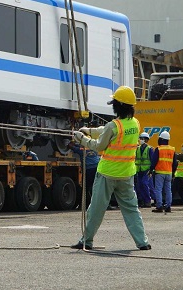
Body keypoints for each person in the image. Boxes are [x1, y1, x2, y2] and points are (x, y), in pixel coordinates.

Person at [70, 86, 150, 251]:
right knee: (132, 210)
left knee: (96, 210)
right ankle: (142, 242)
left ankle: (87, 241)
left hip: (107, 173)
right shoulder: (135, 124)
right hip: (127, 175)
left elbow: (99, 146)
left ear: (118, 105)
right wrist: (90, 131)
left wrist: (82, 139)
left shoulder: (113, 126)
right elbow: (108, 130)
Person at [68, 140, 99, 204]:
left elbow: (71, 147)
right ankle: (99, 203)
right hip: (97, 168)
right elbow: (80, 146)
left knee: (85, 188)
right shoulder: (94, 148)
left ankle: (86, 203)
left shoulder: (82, 150)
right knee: (95, 187)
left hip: (88, 170)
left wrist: (69, 143)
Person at [151, 131, 175, 213]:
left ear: (161, 139)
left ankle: (159, 206)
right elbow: (175, 162)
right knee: (168, 190)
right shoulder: (172, 149)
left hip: (160, 172)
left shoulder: (159, 149)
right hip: (169, 173)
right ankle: (168, 206)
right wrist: (174, 172)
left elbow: (154, 161)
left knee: (158, 190)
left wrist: (151, 170)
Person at [134, 132, 153, 208]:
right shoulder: (137, 149)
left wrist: (151, 170)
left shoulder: (150, 149)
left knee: (144, 184)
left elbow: (152, 160)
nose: (141, 140)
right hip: (139, 170)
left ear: (146, 140)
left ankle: (148, 201)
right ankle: (141, 201)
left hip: (146, 170)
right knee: (139, 185)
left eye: (143, 139)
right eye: (140, 138)